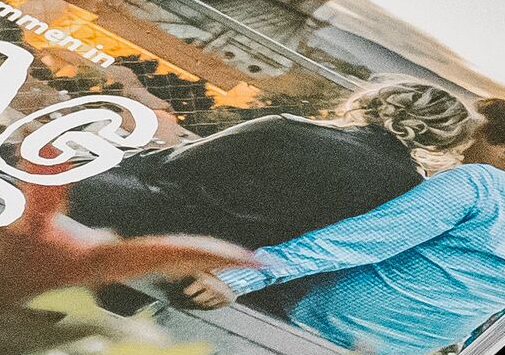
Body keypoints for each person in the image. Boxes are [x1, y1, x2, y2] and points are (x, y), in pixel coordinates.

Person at [174, 99, 505, 355]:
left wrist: (241, 277)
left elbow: (358, 241)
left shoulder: (480, 183)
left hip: (314, 319)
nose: (463, 148)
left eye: (477, 140)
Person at [62, 79, 477, 252]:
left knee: (43, 159)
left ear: (371, 102)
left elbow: (169, 167)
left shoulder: (285, 127)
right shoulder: (412, 192)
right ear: (443, 141)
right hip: (235, 261)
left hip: (156, 223)